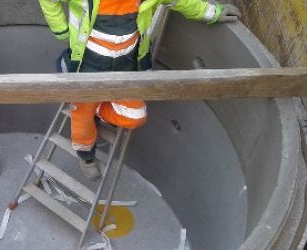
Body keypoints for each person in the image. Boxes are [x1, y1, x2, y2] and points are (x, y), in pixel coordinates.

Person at [39, 0, 240, 180]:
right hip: (88, 66)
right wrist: (61, 30)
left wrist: (212, 13)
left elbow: (182, 2)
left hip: (126, 68)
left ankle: (98, 108)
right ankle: (86, 156)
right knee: (82, 121)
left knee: (135, 116)